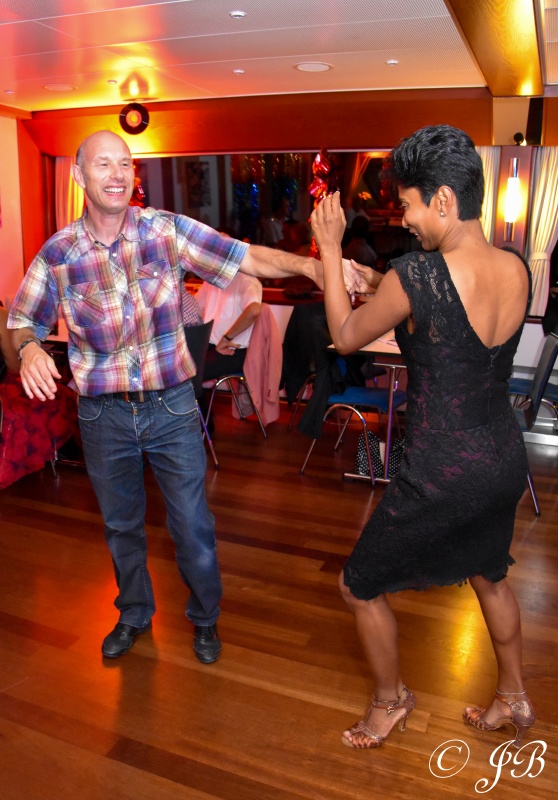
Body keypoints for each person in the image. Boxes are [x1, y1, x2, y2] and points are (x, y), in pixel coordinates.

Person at [7, 129, 334, 664]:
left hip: (172, 408)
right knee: (121, 527)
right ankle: (134, 612)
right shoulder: (59, 254)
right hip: (103, 415)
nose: (117, 174)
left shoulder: (166, 231)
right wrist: (27, 349)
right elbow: (22, 321)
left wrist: (311, 266)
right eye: (103, 164)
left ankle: (205, 618)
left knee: (193, 527)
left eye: (124, 163)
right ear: (79, 175)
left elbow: (247, 258)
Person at [310, 125, 535, 750]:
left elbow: (346, 338)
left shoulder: (416, 275)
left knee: (358, 585)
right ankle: (514, 695)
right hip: (502, 457)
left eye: (408, 204)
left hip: (440, 469)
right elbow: (451, 330)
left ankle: (391, 702)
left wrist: (328, 249)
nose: (404, 219)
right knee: (490, 574)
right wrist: (376, 290)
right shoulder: (517, 267)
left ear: (443, 200)